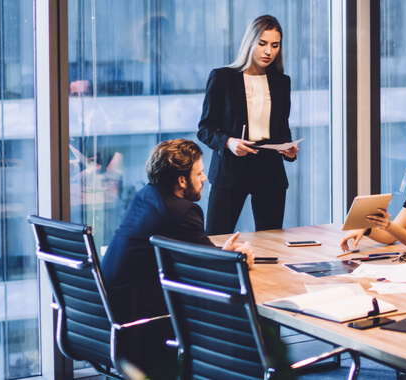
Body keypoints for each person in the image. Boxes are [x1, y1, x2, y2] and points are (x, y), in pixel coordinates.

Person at [101, 139, 253, 379]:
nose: (205, 178)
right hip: (142, 326)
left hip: (109, 317)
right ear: (182, 180)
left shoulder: (145, 197)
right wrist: (238, 260)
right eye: (200, 173)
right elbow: (217, 275)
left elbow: (195, 257)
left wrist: (220, 256)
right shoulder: (183, 211)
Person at [197, 15, 298, 235]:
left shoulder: (282, 82)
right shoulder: (222, 78)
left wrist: (288, 149)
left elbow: (282, 128)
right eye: (262, 44)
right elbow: (205, 129)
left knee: (271, 242)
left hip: (269, 169)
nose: (268, 51)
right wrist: (228, 143)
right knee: (216, 237)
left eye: (275, 45)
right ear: (250, 43)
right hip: (231, 168)